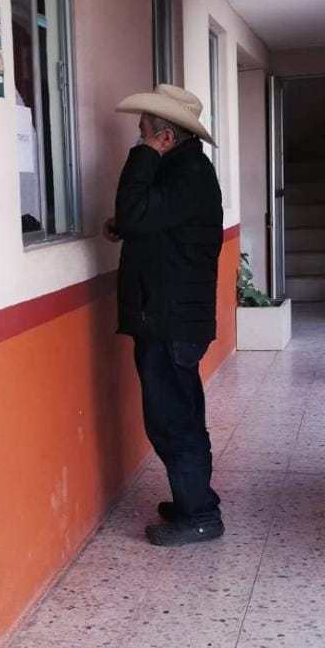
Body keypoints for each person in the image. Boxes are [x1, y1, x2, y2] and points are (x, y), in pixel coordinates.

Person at [103, 84, 225, 547]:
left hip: (171, 320)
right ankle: (195, 500)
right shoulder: (184, 171)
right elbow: (152, 222)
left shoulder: (186, 172)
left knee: (173, 419)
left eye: (144, 134)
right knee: (181, 413)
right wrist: (124, 225)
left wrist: (142, 159)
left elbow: (138, 212)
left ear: (166, 137)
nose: (139, 140)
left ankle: (199, 515)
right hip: (171, 317)